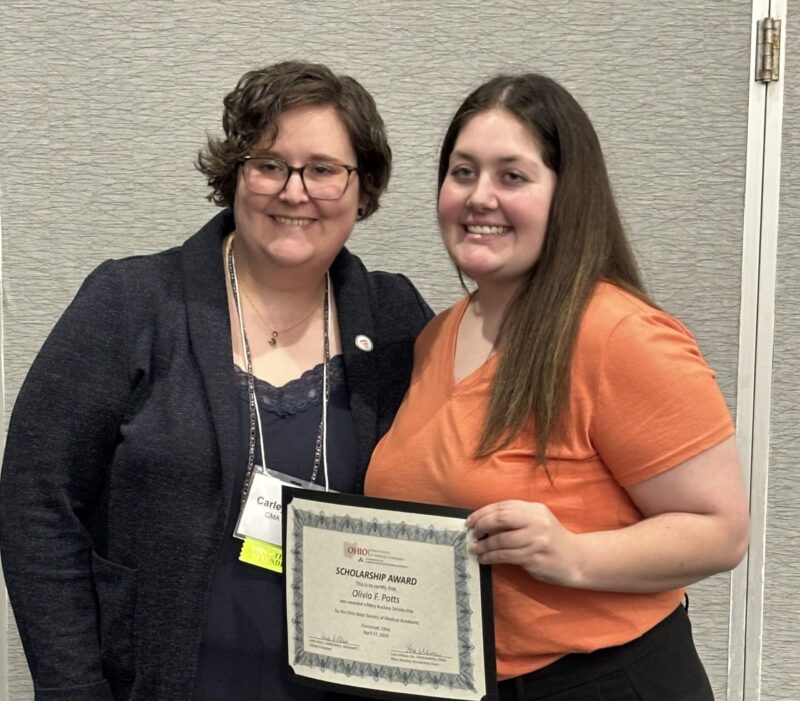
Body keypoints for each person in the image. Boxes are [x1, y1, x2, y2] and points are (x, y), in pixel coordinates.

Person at [0, 61, 432, 701]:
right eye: (269, 165)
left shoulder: (394, 319)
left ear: (362, 188)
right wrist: (73, 688)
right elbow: (36, 501)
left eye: (323, 169)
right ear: (234, 174)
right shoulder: (132, 300)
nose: (294, 191)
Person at [365, 73, 750, 700]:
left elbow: (721, 529)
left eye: (511, 176)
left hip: (603, 681)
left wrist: (572, 554)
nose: (479, 197)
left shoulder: (620, 335)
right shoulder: (436, 337)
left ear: (566, 195)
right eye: (463, 172)